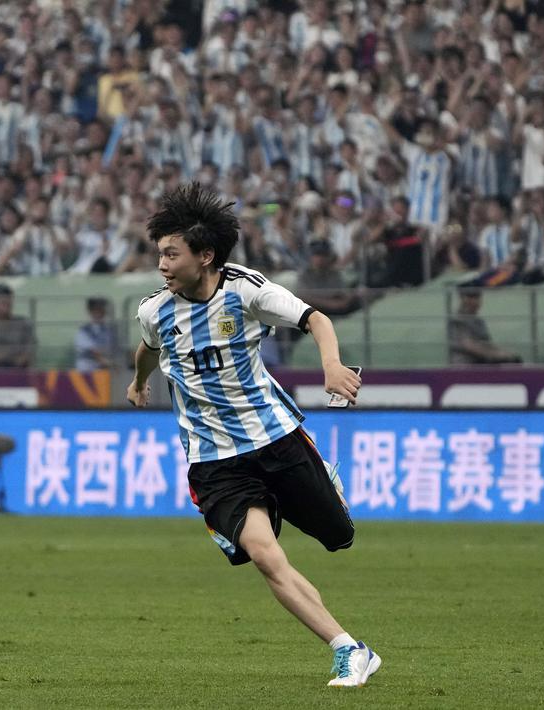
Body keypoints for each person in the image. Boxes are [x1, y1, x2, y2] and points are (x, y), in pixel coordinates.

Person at [126, 184, 379, 688]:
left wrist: (331, 365)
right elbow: (147, 347)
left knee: (338, 537)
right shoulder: (155, 311)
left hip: (274, 439)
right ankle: (349, 649)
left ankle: (323, 480)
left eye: (172, 254)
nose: (163, 264)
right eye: (159, 254)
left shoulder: (246, 291)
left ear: (206, 256)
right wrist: (138, 381)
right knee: (265, 555)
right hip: (214, 461)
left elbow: (316, 319)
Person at [447, 287, 523, 365]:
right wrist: (496, 355)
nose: (475, 301)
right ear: (462, 299)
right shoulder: (457, 320)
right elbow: (469, 345)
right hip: (466, 365)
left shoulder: (479, 321)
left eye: (477, 297)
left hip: (481, 363)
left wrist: (504, 353)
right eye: (470, 297)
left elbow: (487, 344)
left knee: (514, 360)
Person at [73, 298, 116, 372]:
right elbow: (93, 352)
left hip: (105, 367)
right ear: (90, 312)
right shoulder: (84, 331)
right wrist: (108, 362)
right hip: (88, 368)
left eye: (101, 310)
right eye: (96, 310)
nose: (98, 313)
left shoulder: (109, 330)